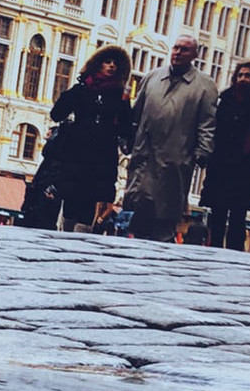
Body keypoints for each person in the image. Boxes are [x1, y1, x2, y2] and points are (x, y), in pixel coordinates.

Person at [126, 34, 219, 241]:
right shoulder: (152, 77)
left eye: (184, 49)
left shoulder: (205, 86)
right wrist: (128, 140)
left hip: (175, 159)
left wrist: (203, 152)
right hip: (145, 156)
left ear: (194, 55)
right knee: (141, 212)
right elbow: (137, 113)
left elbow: (207, 123)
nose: (177, 52)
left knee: (165, 216)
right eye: (176, 48)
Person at [46, 46, 133, 232]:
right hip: (77, 153)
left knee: (90, 201)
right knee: (71, 199)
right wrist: (71, 95)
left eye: (115, 64)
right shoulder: (83, 89)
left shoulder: (119, 96)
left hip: (101, 157)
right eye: (107, 62)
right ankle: (65, 233)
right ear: (98, 64)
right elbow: (57, 113)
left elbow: (125, 128)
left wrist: (125, 105)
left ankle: (79, 240)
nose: (111, 66)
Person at [199, 61, 250, 251]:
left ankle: (235, 250)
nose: (243, 79)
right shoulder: (226, 98)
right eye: (240, 75)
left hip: (245, 165)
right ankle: (214, 248)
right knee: (217, 211)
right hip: (222, 162)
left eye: (248, 75)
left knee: (238, 214)